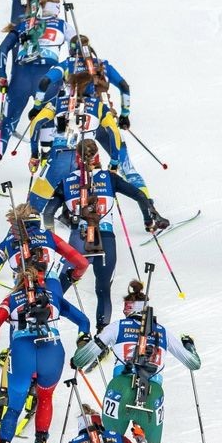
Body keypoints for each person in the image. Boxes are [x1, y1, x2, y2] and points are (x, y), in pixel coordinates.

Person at [71, 280, 201, 443]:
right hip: (152, 395)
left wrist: (82, 345)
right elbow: (193, 364)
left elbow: (81, 361)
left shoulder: (117, 327)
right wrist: (190, 346)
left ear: (128, 307)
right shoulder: (163, 332)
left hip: (119, 389)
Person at [36, 139, 169, 330]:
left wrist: (51, 240)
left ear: (77, 158)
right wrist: (148, 220)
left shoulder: (66, 182)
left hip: (78, 240)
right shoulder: (109, 177)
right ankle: (101, 334)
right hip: (106, 239)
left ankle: (43, 321)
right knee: (103, 290)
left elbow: (48, 213)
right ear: (98, 156)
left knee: (60, 286)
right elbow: (140, 195)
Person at [0, 266, 90, 443]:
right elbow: (84, 321)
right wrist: (82, 342)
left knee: (13, 407)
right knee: (45, 399)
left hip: (22, 352)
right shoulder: (53, 296)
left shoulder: (12, 297)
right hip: (53, 352)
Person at [0, 0, 74, 185]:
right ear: (56, 9)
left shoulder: (24, 24)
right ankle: (47, 172)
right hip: (48, 76)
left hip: (21, 76)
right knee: (47, 120)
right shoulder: (63, 25)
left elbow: (2, 49)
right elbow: (77, 52)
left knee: (7, 123)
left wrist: (2, 76)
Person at [36, 35, 146, 189]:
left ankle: (63, 203)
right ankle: (148, 205)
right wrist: (125, 115)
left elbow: (44, 82)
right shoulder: (101, 64)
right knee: (125, 164)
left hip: (74, 122)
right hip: (100, 116)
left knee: (65, 167)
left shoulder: (67, 65)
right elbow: (124, 86)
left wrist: (37, 105)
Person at [28, 69, 123, 203]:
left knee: (35, 203)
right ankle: (73, 215)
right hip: (88, 158)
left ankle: (40, 218)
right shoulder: (99, 106)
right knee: (89, 204)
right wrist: (114, 163)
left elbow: (36, 124)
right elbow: (114, 132)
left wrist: (34, 154)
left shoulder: (58, 102)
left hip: (60, 157)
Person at [0, 203, 89, 306]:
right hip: (51, 285)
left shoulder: (7, 242)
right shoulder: (49, 236)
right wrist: (74, 276)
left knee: (16, 322)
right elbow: (82, 263)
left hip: (23, 287)